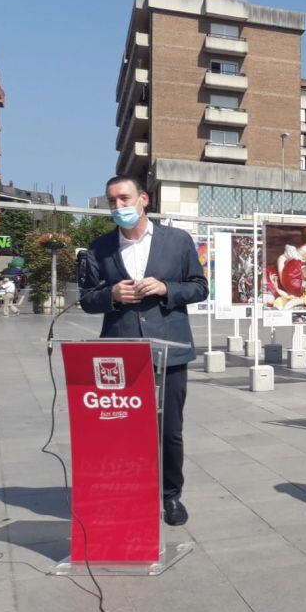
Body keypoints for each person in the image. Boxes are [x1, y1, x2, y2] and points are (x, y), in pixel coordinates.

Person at [78, 176, 208, 527]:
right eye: (112, 201)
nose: (118, 207)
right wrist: (111, 296)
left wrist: (166, 288)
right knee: (122, 429)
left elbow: (199, 287)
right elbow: (87, 300)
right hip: (120, 352)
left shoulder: (177, 241)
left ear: (143, 199)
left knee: (170, 430)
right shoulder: (99, 248)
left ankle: (170, 496)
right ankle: (130, 490)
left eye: (124, 198)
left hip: (171, 349)